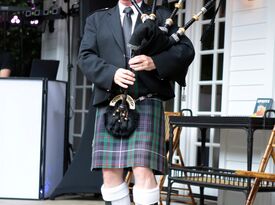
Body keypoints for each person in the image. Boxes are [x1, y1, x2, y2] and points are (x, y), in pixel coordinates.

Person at [78, 0, 195, 205]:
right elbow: (85, 56)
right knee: (110, 172)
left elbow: (186, 50)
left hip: (146, 101)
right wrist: (111, 73)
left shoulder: (160, 15)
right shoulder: (97, 19)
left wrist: (155, 62)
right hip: (111, 103)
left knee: (142, 169)